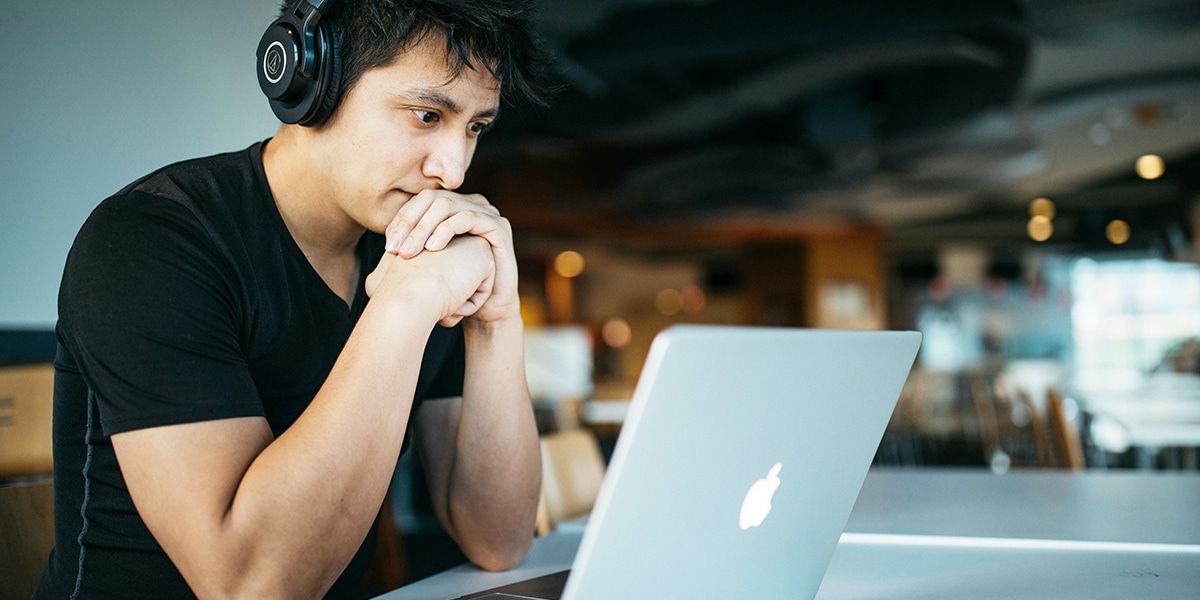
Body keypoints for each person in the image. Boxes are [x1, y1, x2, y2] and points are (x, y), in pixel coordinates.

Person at [34, 0, 557, 597]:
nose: (454, 169)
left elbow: (498, 539)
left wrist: (496, 319)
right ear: (314, 84)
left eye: (475, 127)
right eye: (424, 114)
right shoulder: (151, 239)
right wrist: (405, 305)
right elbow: (251, 585)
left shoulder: (419, 252)